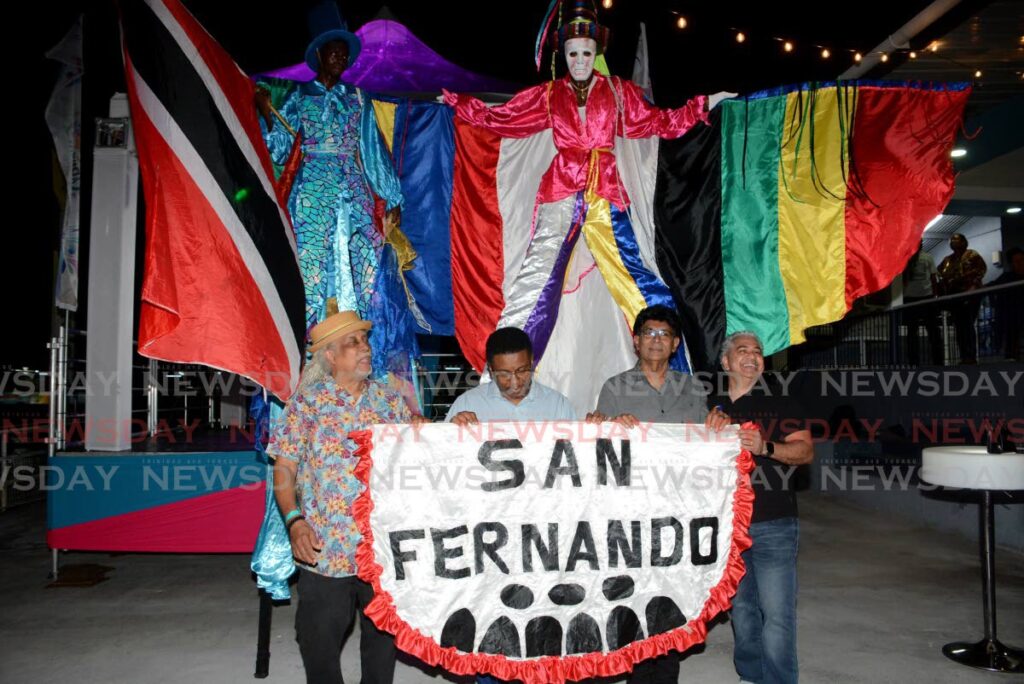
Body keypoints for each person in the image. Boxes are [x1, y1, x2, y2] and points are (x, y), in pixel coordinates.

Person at [444, 0, 733, 410]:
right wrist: (460, 104)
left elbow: (658, 122)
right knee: (533, 282)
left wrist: (702, 105)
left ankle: (679, 372)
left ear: (596, 54)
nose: (579, 61)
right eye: (572, 54)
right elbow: (504, 118)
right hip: (562, 190)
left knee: (641, 279)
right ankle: (496, 377)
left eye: (586, 53)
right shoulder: (548, 95)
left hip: (605, 192)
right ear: (562, 57)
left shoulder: (618, 92)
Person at [255, 1, 418, 382]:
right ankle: (308, 366)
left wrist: (392, 198)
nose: (340, 59)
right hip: (313, 190)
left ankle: (360, 359)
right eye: (334, 53)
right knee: (311, 275)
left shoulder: (356, 97)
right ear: (319, 55)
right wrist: (265, 110)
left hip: (352, 187)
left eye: (344, 54)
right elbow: (280, 148)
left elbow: (372, 148)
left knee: (363, 271)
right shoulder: (298, 97)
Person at [268, 310, 427, 684]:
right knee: (319, 639)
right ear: (329, 356)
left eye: (365, 340)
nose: (365, 349)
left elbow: (415, 463)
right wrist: (294, 522)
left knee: (383, 638)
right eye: (353, 343)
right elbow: (284, 470)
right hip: (326, 549)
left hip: (381, 549)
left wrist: (422, 433)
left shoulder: (390, 403)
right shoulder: (307, 405)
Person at [586, 305, 730, 684]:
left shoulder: (694, 388)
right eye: (648, 333)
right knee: (634, 600)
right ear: (635, 341)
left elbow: (708, 446)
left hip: (679, 516)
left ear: (675, 343)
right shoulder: (614, 388)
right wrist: (608, 427)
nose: (655, 340)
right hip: (632, 516)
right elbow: (598, 449)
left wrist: (719, 424)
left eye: (664, 334)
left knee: (671, 601)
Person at [712, 332, 813, 684]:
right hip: (728, 530)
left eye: (758, 352)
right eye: (743, 351)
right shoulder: (711, 407)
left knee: (778, 614)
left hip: (775, 524)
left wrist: (766, 447)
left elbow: (805, 452)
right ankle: (751, 676)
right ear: (726, 362)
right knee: (741, 611)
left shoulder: (782, 403)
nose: (752, 357)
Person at [446, 327, 578, 425]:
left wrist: (595, 429)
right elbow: (440, 455)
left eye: (522, 370)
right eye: (504, 374)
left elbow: (579, 452)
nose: (515, 382)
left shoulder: (558, 406)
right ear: (491, 370)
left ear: (531, 362)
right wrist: (451, 431)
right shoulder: (467, 404)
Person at [937, 233, 987, 363]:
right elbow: (939, 273)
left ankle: (971, 356)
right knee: (959, 326)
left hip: (970, 294)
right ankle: (964, 355)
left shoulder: (972, 255)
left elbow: (981, 269)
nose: (954, 242)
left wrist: (974, 285)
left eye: (957, 240)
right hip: (954, 296)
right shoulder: (948, 259)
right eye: (952, 240)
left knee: (967, 324)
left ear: (964, 242)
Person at [901, 241, 943, 364]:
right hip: (921, 297)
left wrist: (935, 295)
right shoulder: (922, 257)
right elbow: (933, 277)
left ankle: (917, 361)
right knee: (929, 330)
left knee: (918, 331)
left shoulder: (908, 258)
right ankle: (935, 361)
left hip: (918, 297)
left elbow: (933, 277)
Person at [991, 246, 1023, 359]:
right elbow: (992, 285)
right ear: (1011, 264)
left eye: (1022, 260)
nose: (1021, 264)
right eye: (1017, 261)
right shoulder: (1007, 278)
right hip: (1013, 320)